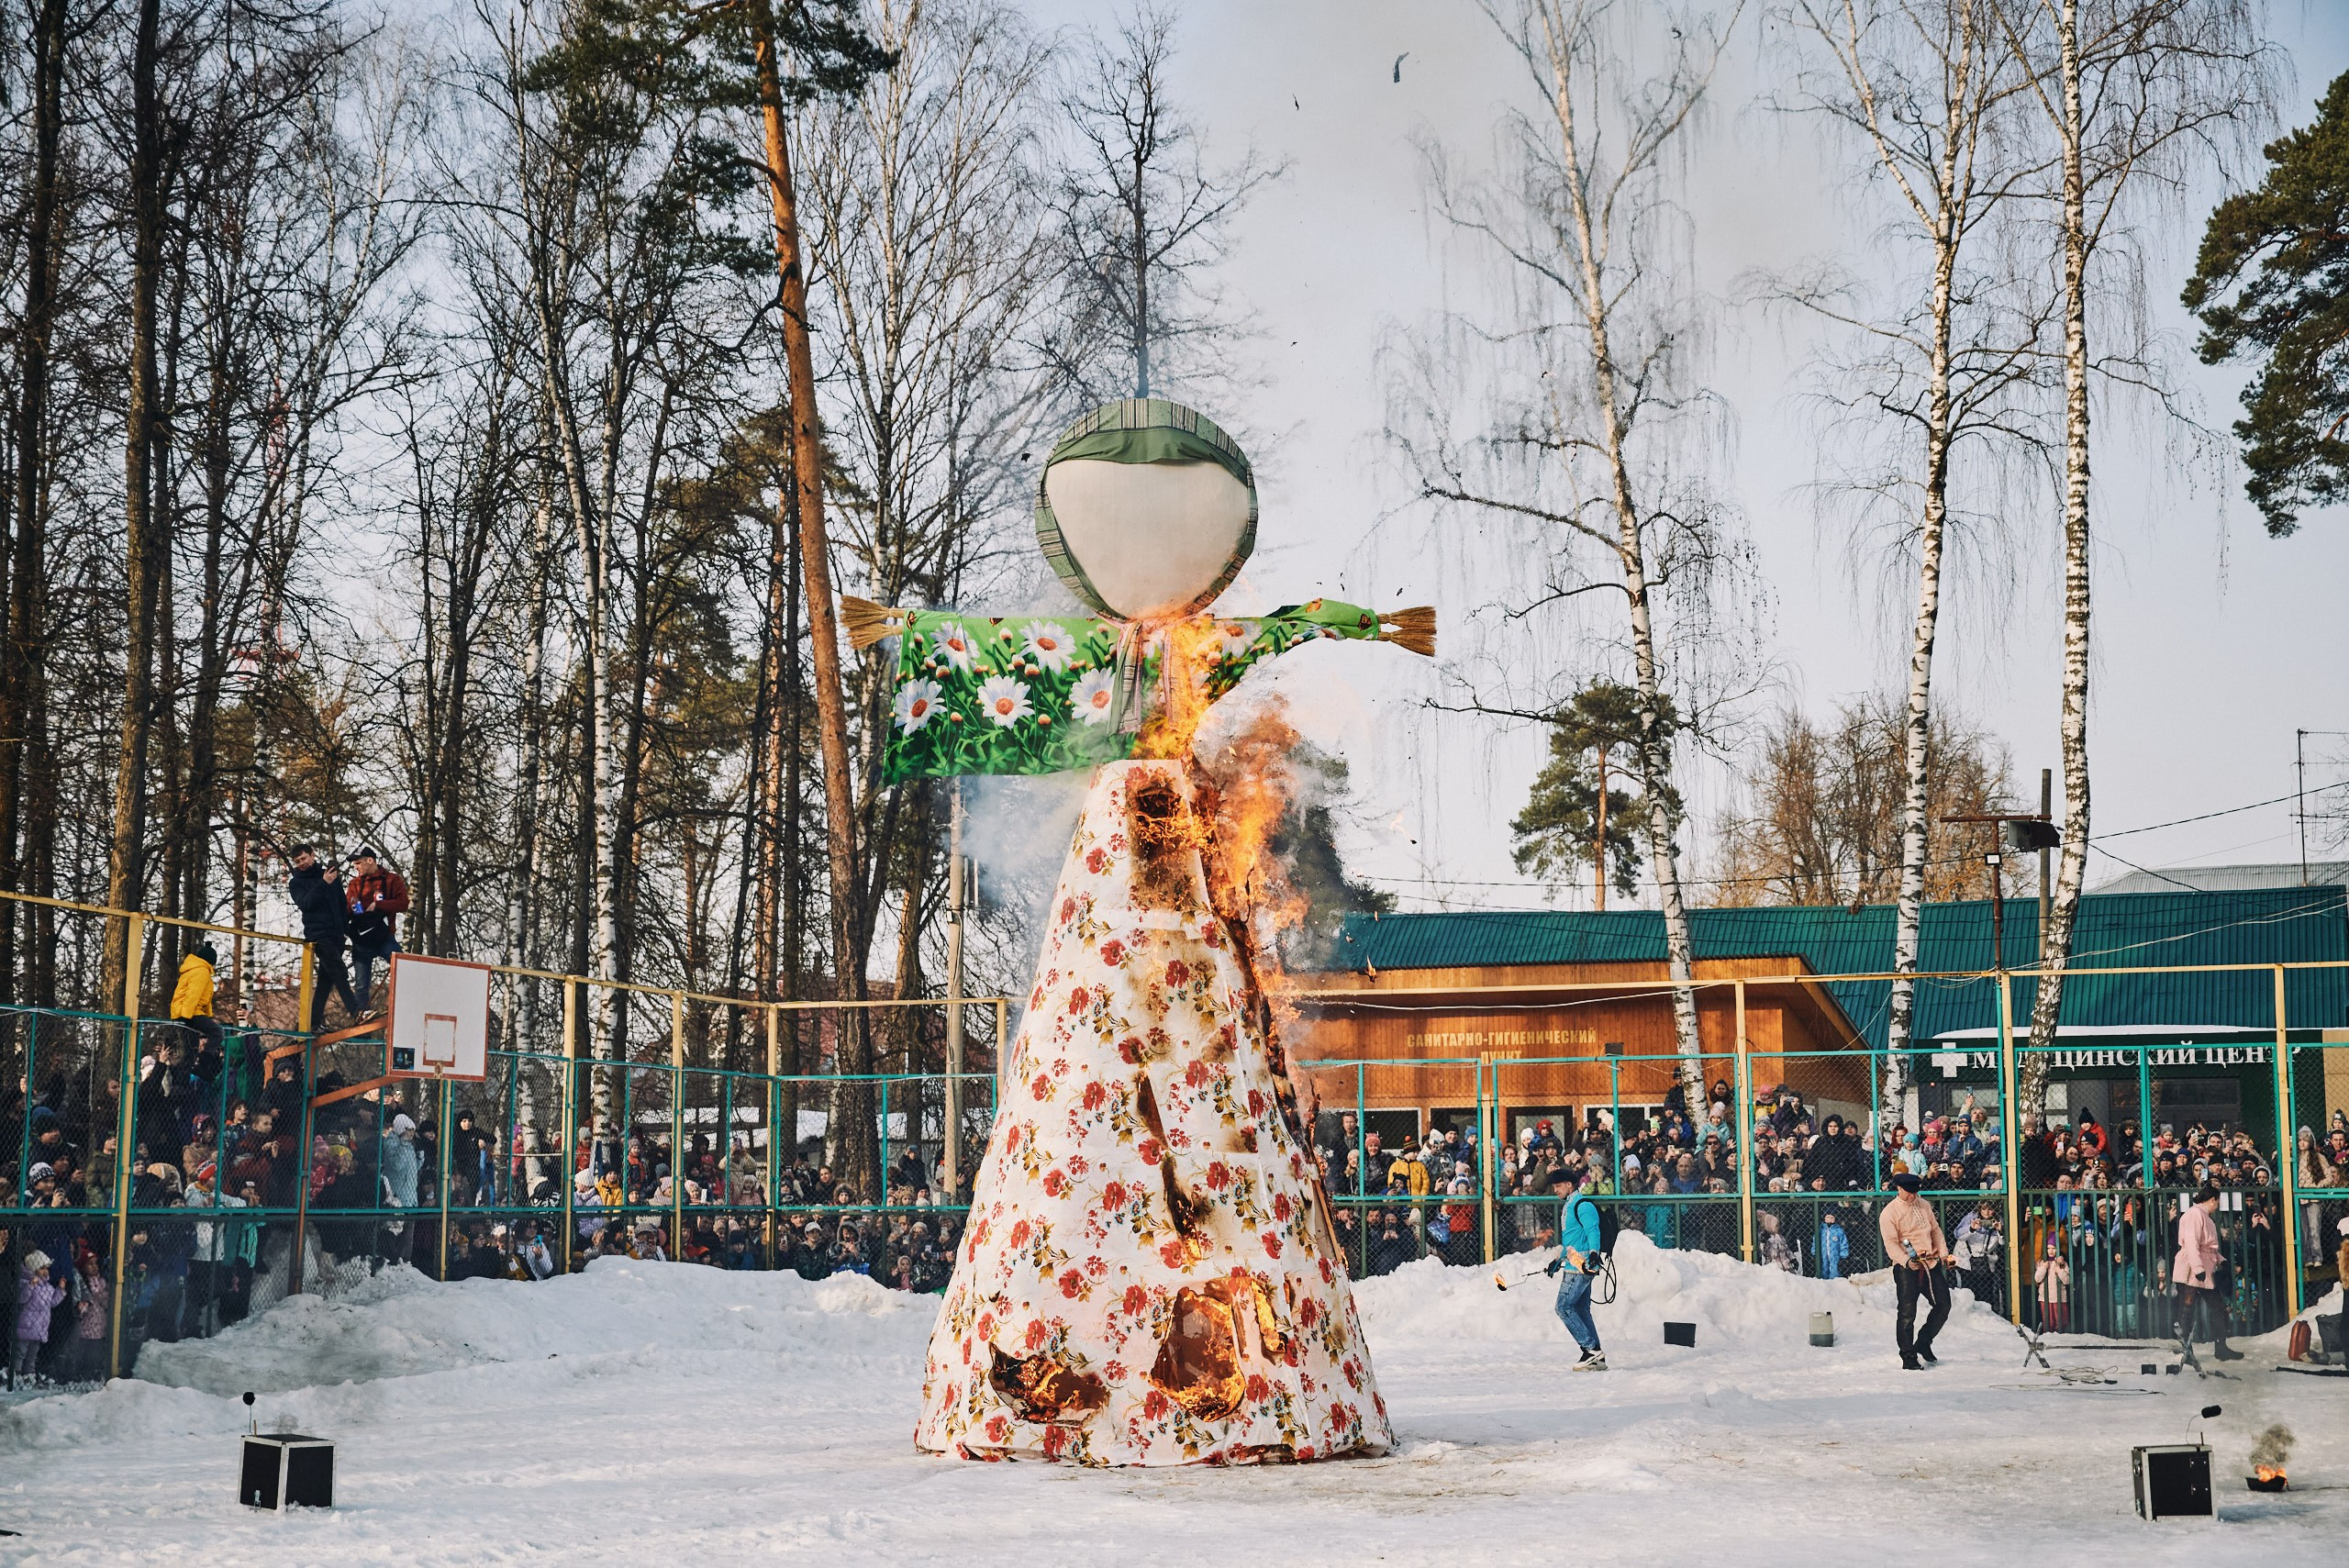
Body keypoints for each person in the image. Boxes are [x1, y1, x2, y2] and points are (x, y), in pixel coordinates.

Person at [1879, 1172, 1951, 1370]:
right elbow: (1891, 1243)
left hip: (1930, 1262)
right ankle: (1908, 1355)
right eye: (1909, 1192)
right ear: (1899, 1189)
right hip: (1906, 1267)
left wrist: (1943, 1252)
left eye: (1915, 1192)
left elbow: (1935, 1230)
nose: (1913, 1196)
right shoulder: (1889, 1212)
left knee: (1943, 1305)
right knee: (1907, 1312)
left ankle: (1924, 1341)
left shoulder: (1924, 1205)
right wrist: (1905, 1260)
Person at [286, 844, 358, 1030]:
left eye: (303, 859)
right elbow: (306, 903)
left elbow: (341, 903)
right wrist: (323, 883)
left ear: (312, 855)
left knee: (326, 981)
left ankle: (313, 1022)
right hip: (318, 935)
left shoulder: (329, 875)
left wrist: (345, 930)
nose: (301, 863)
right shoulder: (296, 883)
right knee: (340, 972)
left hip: (336, 935)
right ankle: (356, 1011)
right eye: (297, 861)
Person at [2172, 1184, 2243, 1362]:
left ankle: (2221, 1348)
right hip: (2193, 1268)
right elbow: (2191, 1243)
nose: (2217, 1205)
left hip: (2202, 1268)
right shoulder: (2195, 1214)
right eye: (2217, 1202)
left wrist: (2220, 1260)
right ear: (2212, 1200)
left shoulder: (2205, 1216)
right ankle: (2187, 1350)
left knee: (2216, 1306)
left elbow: (2207, 1247)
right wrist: (2198, 1268)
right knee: (2187, 1309)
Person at [1545, 1164, 1607, 1371]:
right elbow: (1572, 1239)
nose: (1555, 1190)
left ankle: (1590, 1349)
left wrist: (1594, 1254)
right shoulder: (1570, 1205)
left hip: (1580, 1267)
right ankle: (1595, 1354)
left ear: (1570, 1185)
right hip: (1573, 1264)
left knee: (1563, 1307)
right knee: (1580, 1308)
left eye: (1558, 1186)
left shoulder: (1582, 1205)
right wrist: (1558, 1260)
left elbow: (1592, 1231)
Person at [343, 845, 409, 1015]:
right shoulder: (354, 884)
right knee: (361, 985)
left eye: (358, 863)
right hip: (361, 941)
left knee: (403, 969)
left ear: (370, 860)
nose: (356, 867)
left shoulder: (391, 880)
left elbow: (403, 903)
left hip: (384, 937)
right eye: (354, 865)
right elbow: (346, 910)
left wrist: (379, 905)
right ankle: (361, 1024)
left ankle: (404, 1009)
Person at [170, 940, 223, 1062]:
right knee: (218, 1032)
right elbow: (193, 995)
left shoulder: (192, 969)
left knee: (190, 1049)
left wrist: (208, 1016)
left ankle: (189, 1069)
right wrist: (186, 1017)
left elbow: (204, 998)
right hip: (190, 1013)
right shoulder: (202, 972)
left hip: (184, 1011)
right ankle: (204, 1060)